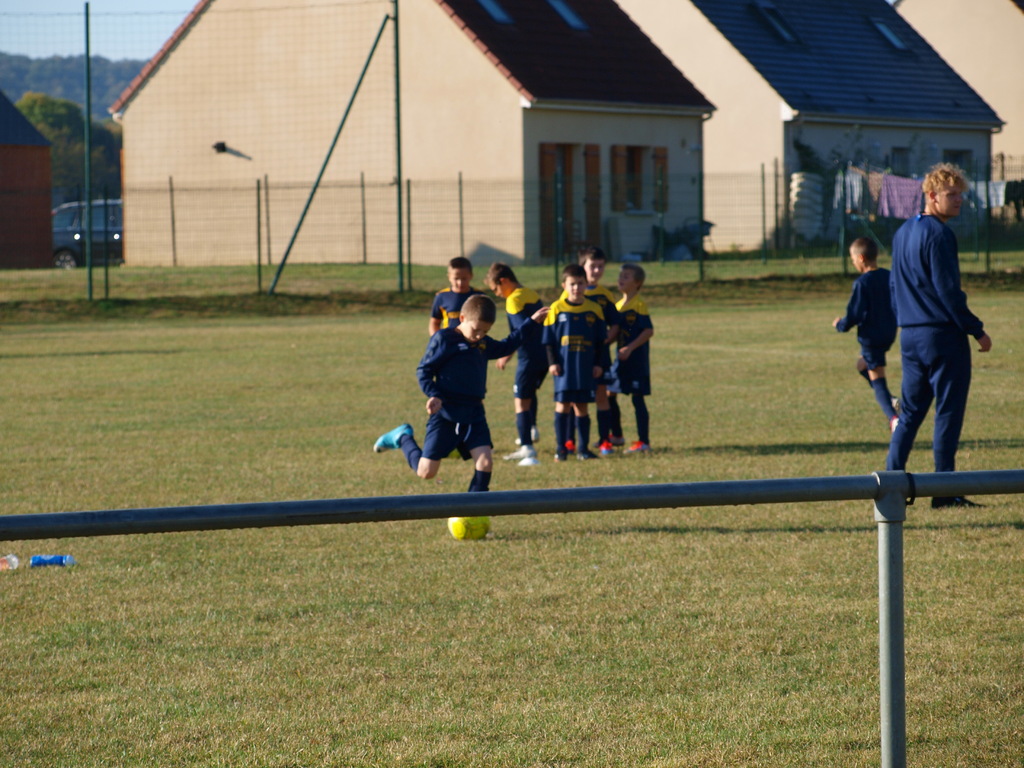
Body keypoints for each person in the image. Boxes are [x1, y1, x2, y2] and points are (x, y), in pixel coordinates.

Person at [885, 163, 992, 509]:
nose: (959, 200)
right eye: (952, 194)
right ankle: (945, 491)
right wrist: (976, 329)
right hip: (942, 336)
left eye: (960, 194)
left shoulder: (903, 232)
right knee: (948, 411)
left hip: (911, 336)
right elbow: (948, 291)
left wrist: (904, 322)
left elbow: (893, 286)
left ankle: (889, 484)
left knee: (910, 412)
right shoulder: (940, 234)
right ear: (932, 195)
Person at [374, 294, 548, 492]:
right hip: (446, 412)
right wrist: (434, 395)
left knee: (485, 463)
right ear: (462, 318)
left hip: (474, 412)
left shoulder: (482, 343)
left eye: (485, 331)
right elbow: (424, 371)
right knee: (426, 472)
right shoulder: (444, 339)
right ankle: (403, 437)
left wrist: (531, 322)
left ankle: (474, 506)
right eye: (476, 330)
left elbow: (507, 345)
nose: (480, 335)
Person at [832, 237, 899, 433]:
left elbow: (854, 314)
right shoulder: (889, 276)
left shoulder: (862, 283)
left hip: (871, 337)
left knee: (877, 378)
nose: (853, 262)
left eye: (853, 259)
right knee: (862, 365)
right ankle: (890, 399)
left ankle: (894, 418)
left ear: (861, 258)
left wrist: (840, 325)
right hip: (889, 332)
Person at [559, 246, 621, 453]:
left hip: (597, 356)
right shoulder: (567, 294)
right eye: (592, 266)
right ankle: (569, 440)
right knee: (571, 398)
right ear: (582, 266)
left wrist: (603, 342)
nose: (597, 271)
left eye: (601, 266)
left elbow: (615, 324)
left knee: (601, 396)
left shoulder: (604, 295)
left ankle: (604, 440)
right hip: (574, 357)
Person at [484, 262, 546, 466]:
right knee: (529, 393)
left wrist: (506, 353)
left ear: (503, 281)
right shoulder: (531, 293)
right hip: (545, 355)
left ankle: (526, 446)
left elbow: (521, 332)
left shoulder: (513, 300)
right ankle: (532, 428)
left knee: (520, 401)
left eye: (496, 289)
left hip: (528, 357)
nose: (497, 294)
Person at [543, 263, 607, 462]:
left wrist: (598, 364)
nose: (576, 288)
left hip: (585, 368)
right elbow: (548, 341)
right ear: (564, 285)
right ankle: (561, 449)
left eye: (580, 283)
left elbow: (601, 342)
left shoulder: (594, 309)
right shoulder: (556, 308)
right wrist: (552, 363)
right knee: (562, 406)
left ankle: (583, 450)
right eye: (572, 284)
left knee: (582, 407)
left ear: (586, 284)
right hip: (564, 368)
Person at [608, 263, 655, 453]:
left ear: (637, 283)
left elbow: (648, 330)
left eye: (626, 277)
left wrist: (630, 347)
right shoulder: (618, 306)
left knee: (637, 398)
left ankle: (644, 442)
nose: (621, 279)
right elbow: (616, 333)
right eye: (620, 276)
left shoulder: (639, 305)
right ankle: (617, 436)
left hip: (636, 361)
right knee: (610, 394)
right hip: (620, 360)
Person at [429, 256, 483, 335]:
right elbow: (434, 322)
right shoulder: (442, 296)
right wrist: (436, 339)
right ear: (449, 277)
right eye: (456, 278)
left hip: (474, 340)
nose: (460, 283)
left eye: (464, 279)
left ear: (471, 276)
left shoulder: (479, 296)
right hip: (449, 340)